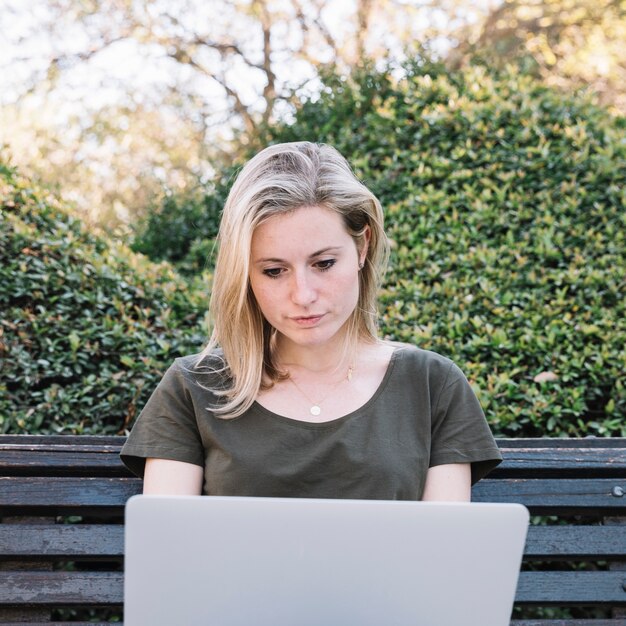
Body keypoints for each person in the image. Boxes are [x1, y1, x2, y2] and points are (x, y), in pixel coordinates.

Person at [120, 141, 502, 500]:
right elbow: (171, 554)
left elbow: (443, 556)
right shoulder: (194, 388)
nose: (303, 294)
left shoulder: (432, 385)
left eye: (323, 264)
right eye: (273, 270)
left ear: (362, 246)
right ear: (245, 276)